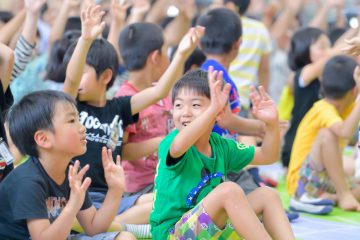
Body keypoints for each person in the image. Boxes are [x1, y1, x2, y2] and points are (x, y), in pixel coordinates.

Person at [63, 3, 203, 224]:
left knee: (165, 200)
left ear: (106, 76)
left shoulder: (119, 107)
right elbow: (70, 80)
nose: (76, 80)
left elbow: (159, 91)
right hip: (79, 196)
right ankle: (105, 226)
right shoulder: (71, 107)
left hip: (111, 196)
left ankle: (109, 224)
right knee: (159, 208)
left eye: (84, 73)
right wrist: (85, 39)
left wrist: (181, 54)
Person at [150, 68, 295, 239]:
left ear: (219, 113)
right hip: (172, 235)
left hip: (209, 230)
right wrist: (212, 110)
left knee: (268, 195)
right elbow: (178, 147)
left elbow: (267, 155)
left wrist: (271, 125)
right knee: (228, 190)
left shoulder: (221, 145)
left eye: (195, 105)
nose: (185, 112)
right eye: (178, 105)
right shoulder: (172, 142)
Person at [0, 90, 135, 240]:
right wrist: (73, 205)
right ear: (43, 139)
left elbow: (94, 228)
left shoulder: (71, 173)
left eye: (78, 119)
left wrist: (115, 190)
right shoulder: (28, 182)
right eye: (72, 121)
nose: (82, 127)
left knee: (125, 238)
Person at [287, 55, 360, 212]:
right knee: (327, 135)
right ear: (355, 90)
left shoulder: (348, 107)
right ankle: (342, 194)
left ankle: (331, 197)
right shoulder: (322, 108)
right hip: (302, 181)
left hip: (324, 179)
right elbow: (345, 132)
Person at [115, 22, 173, 196]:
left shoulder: (163, 91)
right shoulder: (125, 99)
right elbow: (122, 151)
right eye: (167, 52)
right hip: (141, 188)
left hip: (167, 178)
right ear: (155, 57)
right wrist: (162, 141)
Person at [281, 27, 334, 168]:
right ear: (304, 49)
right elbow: (334, 55)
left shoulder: (327, 79)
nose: (328, 51)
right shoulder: (302, 75)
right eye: (322, 47)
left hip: (319, 146)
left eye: (330, 46)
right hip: (297, 147)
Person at [225, 0, 273, 117]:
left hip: (216, 94)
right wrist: (262, 98)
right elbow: (264, 70)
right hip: (241, 100)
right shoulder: (260, 29)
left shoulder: (220, 26)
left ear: (230, 5)